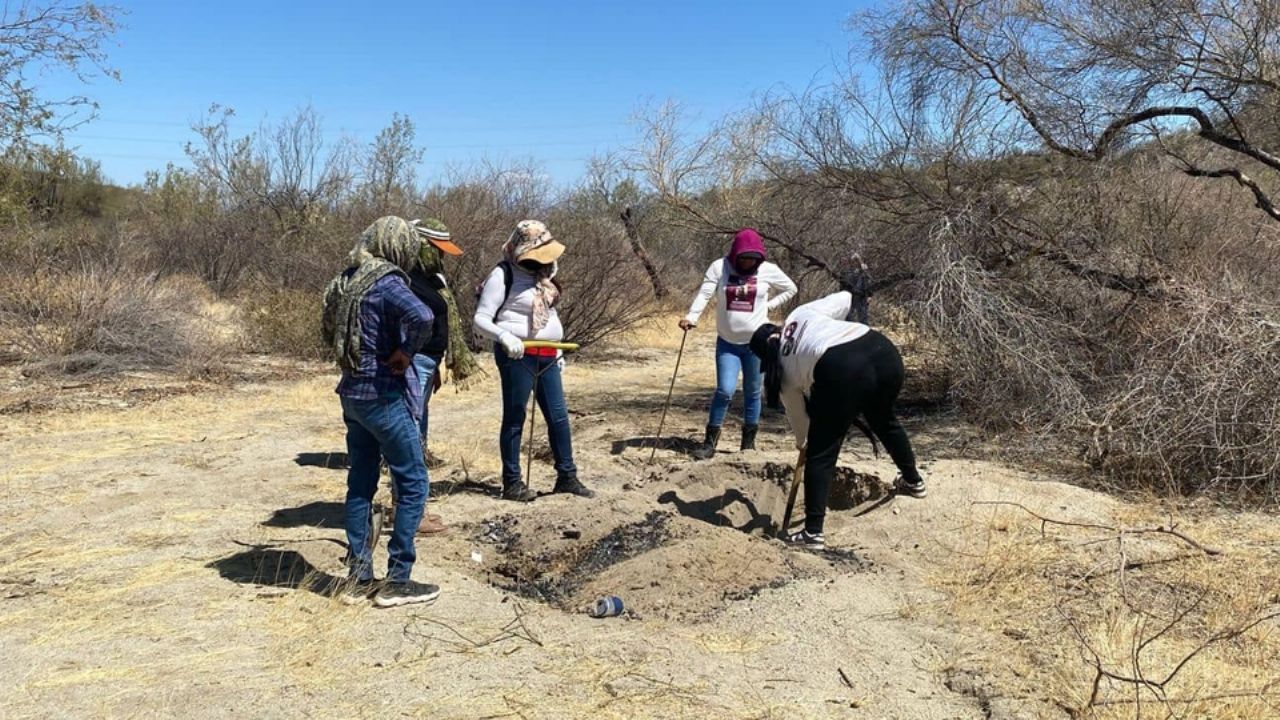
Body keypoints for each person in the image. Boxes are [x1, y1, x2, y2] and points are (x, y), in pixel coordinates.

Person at [749, 284, 927, 551]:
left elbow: (800, 424)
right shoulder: (800, 314)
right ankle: (913, 482)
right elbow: (845, 298)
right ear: (777, 328)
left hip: (840, 367)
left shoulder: (782, 372)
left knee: (821, 451)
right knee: (884, 419)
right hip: (883, 352)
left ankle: (812, 533)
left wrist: (804, 444)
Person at [321, 216, 440, 607]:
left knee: (361, 482)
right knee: (413, 480)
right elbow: (423, 316)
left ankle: (357, 578)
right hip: (382, 394)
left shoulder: (348, 278)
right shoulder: (386, 281)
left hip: (352, 393)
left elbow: (328, 324)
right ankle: (398, 579)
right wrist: (405, 351)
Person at [472, 220, 593, 502]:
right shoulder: (502, 275)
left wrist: (558, 350)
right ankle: (512, 482)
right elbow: (481, 319)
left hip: (547, 354)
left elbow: (548, 314)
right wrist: (504, 336)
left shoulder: (545, 276)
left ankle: (567, 476)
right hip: (517, 355)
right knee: (515, 416)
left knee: (558, 416)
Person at [680, 228, 797, 459]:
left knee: (753, 392)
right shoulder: (720, 267)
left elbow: (791, 288)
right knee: (724, 390)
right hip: (728, 342)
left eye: (753, 259)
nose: (748, 263)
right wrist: (691, 317)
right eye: (744, 258)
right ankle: (710, 443)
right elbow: (705, 294)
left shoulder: (768, 270)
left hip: (757, 344)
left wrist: (769, 306)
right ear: (735, 254)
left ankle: (748, 445)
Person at [397, 218, 479, 536]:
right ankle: (409, 514)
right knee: (408, 437)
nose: (441, 256)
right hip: (413, 361)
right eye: (436, 249)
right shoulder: (404, 279)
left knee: (418, 436)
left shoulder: (433, 278)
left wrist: (438, 364)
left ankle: (413, 508)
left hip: (428, 362)